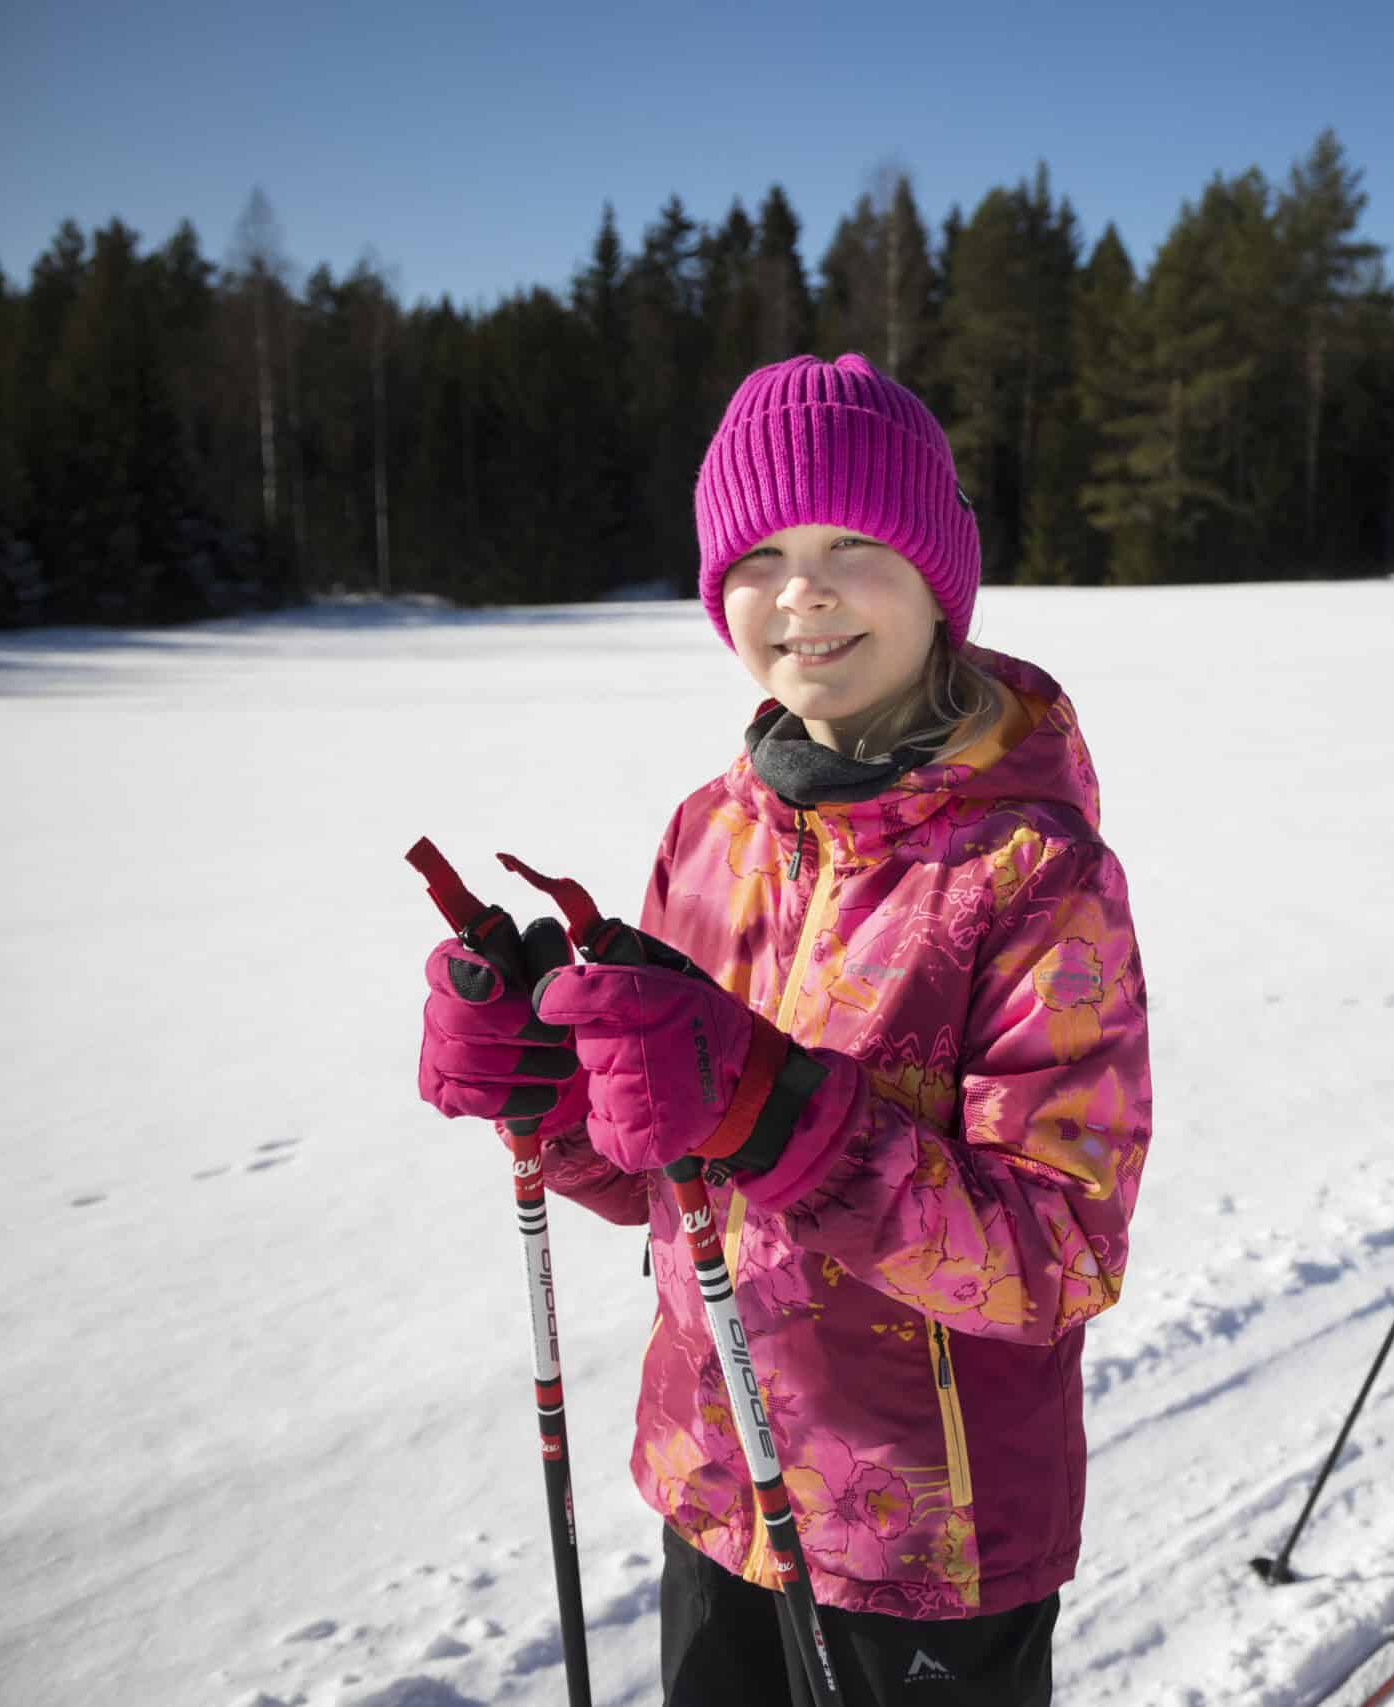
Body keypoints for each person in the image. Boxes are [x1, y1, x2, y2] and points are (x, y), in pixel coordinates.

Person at [416, 353, 1152, 1705]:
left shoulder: (1031, 872)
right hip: (716, 1485)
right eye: (756, 553)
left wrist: (775, 1112)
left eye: (850, 544)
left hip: (927, 1534)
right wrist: (547, 1100)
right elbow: (665, 1175)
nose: (799, 590)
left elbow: (1061, 1254)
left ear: (937, 575)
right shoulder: (709, 831)